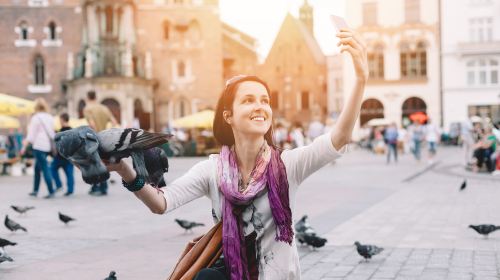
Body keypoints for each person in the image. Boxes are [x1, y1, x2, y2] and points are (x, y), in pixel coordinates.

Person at [104, 28, 367, 280]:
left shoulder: (288, 165)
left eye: (265, 100)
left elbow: (339, 138)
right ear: (228, 116)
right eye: (248, 100)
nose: (260, 106)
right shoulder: (213, 170)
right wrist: (126, 171)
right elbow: (162, 203)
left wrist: (360, 79)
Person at [83, 90, 118, 196]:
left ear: (88, 97)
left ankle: (98, 186)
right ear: (96, 97)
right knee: (101, 163)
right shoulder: (104, 108)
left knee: (93, 164)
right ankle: (100, 186)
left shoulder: (87, 109)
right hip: (104, 138)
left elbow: (92, 124)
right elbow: (114, 122)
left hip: (94, 138)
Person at [20, 98, 56, 198]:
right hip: (48, 146)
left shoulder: (36, 118)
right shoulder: (50, 117)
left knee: (44, 168)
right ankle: (35, 190)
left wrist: (24, 146)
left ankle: (51, 190)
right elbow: (52, 133)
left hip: (39, 146)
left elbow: (31, 136)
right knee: (37, 168)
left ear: (36, 107)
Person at [50, 113, 75, 196]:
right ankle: (70, 190)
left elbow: (58, 143)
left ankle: (58, 184)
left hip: (60, 156)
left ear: (62, 119)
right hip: (69, 156)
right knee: (69, 174)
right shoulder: (72, 130)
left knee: (52, 169)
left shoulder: (60, 131)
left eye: (60, 120)